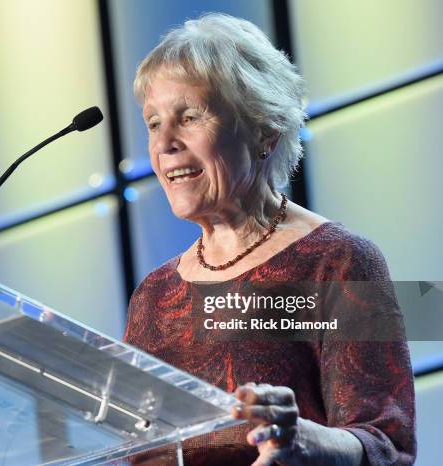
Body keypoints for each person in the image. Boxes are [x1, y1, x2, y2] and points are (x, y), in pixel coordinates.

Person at [123, 13, 415, 466]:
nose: (165, 144)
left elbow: (387, 445)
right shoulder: (154, 297)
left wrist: (304, 442)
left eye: (190, 116)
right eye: (154, 123)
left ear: (264, 130)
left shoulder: (337, 262)